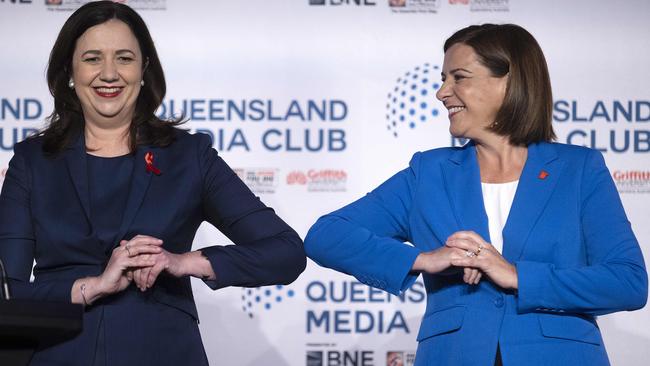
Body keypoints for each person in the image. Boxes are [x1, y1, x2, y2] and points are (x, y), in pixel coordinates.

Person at [304, 24, 647, 365]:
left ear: (509, 83)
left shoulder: (579, 169)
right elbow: (326, 236)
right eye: (443, 78)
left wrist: (516, 274)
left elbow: (627, 282)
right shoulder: (429, 173)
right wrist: (424, 259)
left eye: (459, 77)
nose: (442, 92)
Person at [0, 2, 306, 365]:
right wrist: (93, 286)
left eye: (125, 58)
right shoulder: (32, 162)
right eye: (93, 58)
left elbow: (286, 252)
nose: (109, 73)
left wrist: (183, 262)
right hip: (62, 353)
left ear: (144, 69)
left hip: (162, 350)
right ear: (70, 70)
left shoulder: (190, 156)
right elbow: (8, 295)